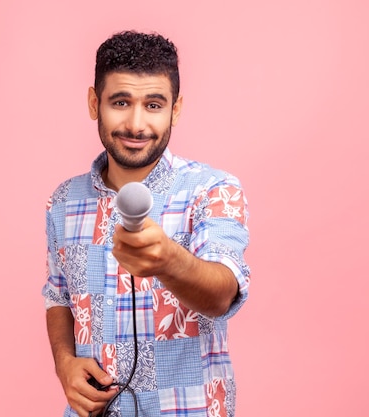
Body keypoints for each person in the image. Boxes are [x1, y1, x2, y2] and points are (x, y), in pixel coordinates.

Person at [42, 30, 251, 417]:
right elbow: (58, 297)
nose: (136, 125)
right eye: (120, 102)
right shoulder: (63, 201)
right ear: (94, 103)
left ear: (175, 109)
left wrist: (169, 261)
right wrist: (64, 363)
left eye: (154, 105)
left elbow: (222, 294)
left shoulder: (213, 190)